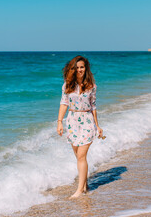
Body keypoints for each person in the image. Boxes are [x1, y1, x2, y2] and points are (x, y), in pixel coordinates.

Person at [57, 55, 103, 199]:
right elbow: (64, 103)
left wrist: (97, 126)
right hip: (72, 121)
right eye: (76, 67)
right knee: (78, 156)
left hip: (87, 121)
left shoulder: (92, 86)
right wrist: (59, 122)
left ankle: (79, 190)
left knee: (81, 156)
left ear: (86, 68)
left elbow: (93, 106)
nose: (79, 70)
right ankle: (85, 184)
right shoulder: (67, 85)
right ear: (72, 69)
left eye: (82, 67)